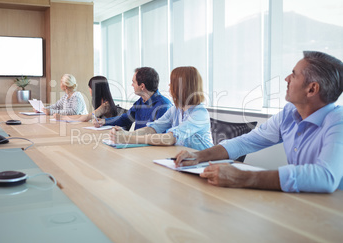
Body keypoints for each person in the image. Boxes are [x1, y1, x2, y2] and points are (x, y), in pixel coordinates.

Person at [175, 51, 343, 193]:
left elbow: (324, 176)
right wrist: (198, 156)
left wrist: (243, 177)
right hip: (302, 201)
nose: (286, 79)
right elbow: (245, 142)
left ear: (312, 89)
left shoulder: (338, 122)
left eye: (293, 74)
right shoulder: (289, 113)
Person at [110, 66, 213, 150]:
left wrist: (129, 139)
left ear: (182, 87)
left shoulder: (199, 113)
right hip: (184, 157)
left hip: (203, 163)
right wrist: (127, 134)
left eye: (172, 83)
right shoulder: (176, 109)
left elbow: (170, 138)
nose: (169, 85)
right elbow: (153, 128)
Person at [93, 67, 172, 130]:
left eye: (133, 82)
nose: (132, 85)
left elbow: (157, 134)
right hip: (137, 143)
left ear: (142, 86)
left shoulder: (163, 106)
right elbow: (125, 118)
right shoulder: (141, 101)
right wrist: (104, 121)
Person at [54, 76, 125, 121]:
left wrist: (62, 117)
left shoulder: (106, 105)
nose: (89, 89)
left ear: (96, 89)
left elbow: (87, 117)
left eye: (90, 87)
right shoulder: (101, 102)